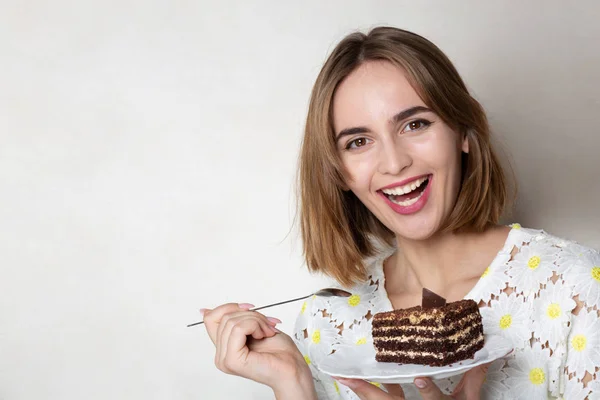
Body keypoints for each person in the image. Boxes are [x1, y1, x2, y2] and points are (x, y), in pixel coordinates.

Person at [201, 26, 600, 399]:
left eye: (415, 124)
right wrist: (293, 384)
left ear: (462, 131)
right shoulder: (325, 326)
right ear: (338, 172)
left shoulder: (574, 289)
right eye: (358, 141)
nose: (393, 163)